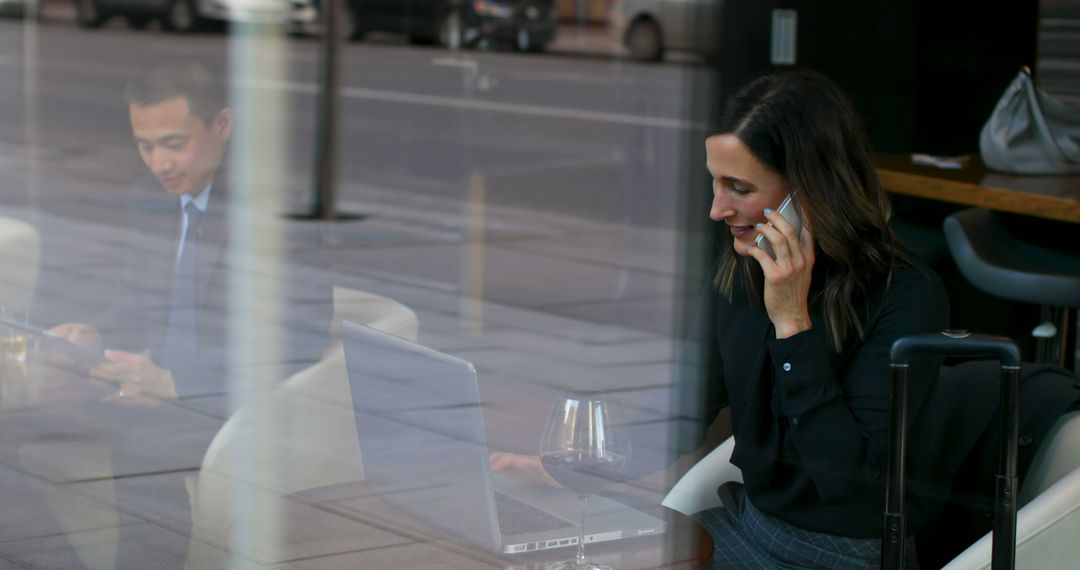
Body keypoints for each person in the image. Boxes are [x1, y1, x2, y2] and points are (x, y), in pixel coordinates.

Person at [48, 62, 327, 402]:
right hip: (158, 402)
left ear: (222, 125)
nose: (159, 164)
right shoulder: (149, 199)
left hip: (237, 413)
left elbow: (295, 340)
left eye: (174, 144)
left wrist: (177, 384)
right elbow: (143, 299)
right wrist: (95, 334)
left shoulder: (274, 214)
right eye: (145, 146)